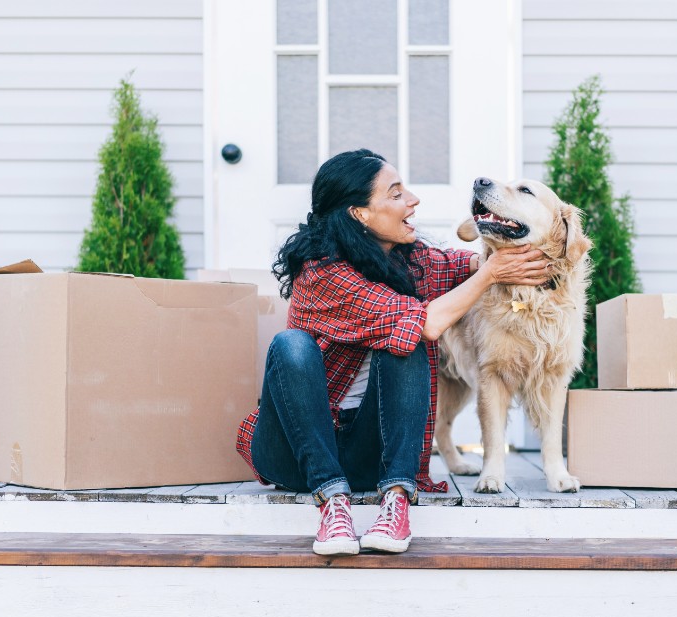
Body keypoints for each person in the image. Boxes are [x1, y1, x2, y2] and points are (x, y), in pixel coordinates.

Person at [236, 149, 550, 556]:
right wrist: (491, 274)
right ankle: (332, 504)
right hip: (294, 454)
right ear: (361, 214)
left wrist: (526, 254)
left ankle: (396, 501)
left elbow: (462, 264)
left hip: (368, 454)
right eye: (396, 193)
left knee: (406, 343)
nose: (413, 201)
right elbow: (430, 323)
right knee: (292, 344)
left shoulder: (407, 258)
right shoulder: (320, 271)